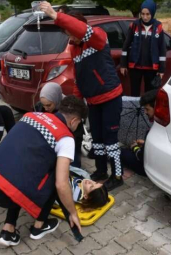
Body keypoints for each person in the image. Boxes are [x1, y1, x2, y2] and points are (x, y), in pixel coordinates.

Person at [0, 96, 87, 246]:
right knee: (55, 175)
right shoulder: (65, 137)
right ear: (74, 121)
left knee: (19, 173)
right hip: (5, 194)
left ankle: (8, 229)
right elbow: (61, 185)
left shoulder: (30, 115)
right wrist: (72, 213)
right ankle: (39, 226)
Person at [40, 2, 124, 191]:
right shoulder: (74, 48)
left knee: (110, 139)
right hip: (93, 102)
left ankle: (117, 176)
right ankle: (101, 171)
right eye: (68, 34)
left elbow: (82, 30)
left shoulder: (97, 37)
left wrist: (56, 16)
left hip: (110, 97)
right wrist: (76, 104)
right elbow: (79, 77)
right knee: (98, 140)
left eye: (71, 32)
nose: (70, 37)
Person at [120, 0, 166, 97]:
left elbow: (162, 49)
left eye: (148, 14)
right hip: (135, 67)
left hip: (151, 68)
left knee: (149, 94)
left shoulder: (158, 26)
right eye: (143, 14)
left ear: (152, 13)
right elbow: (126, 46)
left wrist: (161, 69)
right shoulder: (134, 25)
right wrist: (123, 64)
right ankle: (136, 111)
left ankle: (147, 112)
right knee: (134, 93)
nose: (145, 17)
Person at [35, 82, 83, 168]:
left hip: (70, 140)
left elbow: (75, 137)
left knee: (72, 167)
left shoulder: (70, 110)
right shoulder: (40, 106)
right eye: (43, 105)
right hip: (52, 141)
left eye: (48, 105)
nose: (45, 108)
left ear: (56, 99)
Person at [120, 90, 156, 176]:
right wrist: (145, 143)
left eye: (147, 109)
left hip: (147, 168)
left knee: (121, 152)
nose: (145, 112)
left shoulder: (155, 128)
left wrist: (135, 147)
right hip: (153, 160)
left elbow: (141, 157)